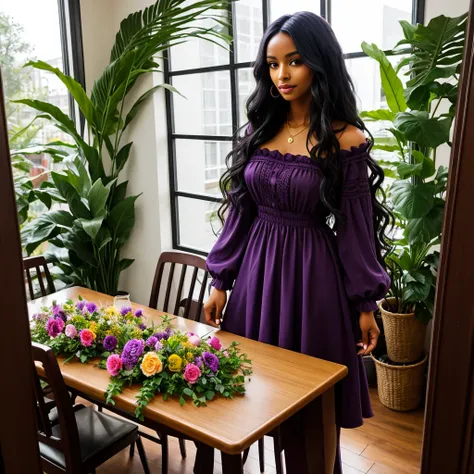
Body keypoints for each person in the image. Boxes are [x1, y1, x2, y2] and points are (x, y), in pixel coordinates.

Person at [203, 11, 392, 473]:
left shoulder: (344, 139)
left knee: (313, 408)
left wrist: (366, 304)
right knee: (244, 398)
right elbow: (241, 213)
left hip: (313, 283)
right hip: (255, 280)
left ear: (319, 64)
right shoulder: (259, 132)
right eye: (271, 64)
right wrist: (220, 279)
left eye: (294, 61)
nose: (282, 75)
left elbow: (354, 228)